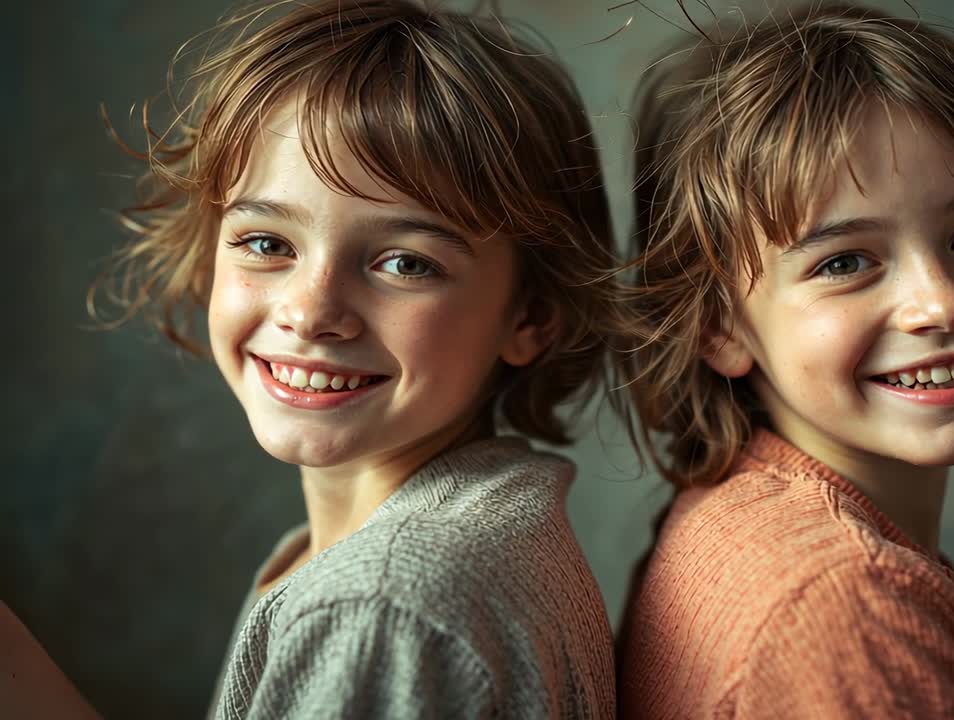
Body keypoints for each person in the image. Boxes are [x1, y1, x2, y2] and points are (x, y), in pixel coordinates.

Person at [89, 0, 618, 716]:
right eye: (267, 243)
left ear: (531, 316)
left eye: (405, 263)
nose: (310, 313)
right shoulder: (471, 520)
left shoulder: (381, 607)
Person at [614, 3, 954, 718]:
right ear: (718, 326)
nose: (940, 304)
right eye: (846, 260)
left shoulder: (744, 514)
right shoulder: (848, 606)